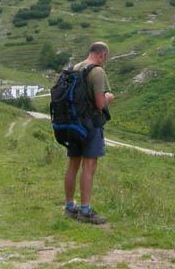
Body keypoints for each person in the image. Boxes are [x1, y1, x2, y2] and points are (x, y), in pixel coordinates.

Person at [63, 41, 114, 224]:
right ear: (103, 55)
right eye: (105, 58)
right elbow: (100, 103)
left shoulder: (76, 68)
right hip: (90, 124)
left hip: (73, 124)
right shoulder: (97, 71)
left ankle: (70, 207)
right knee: (89, 166)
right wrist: (109, 97)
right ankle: (85, 210)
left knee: (73, 164)